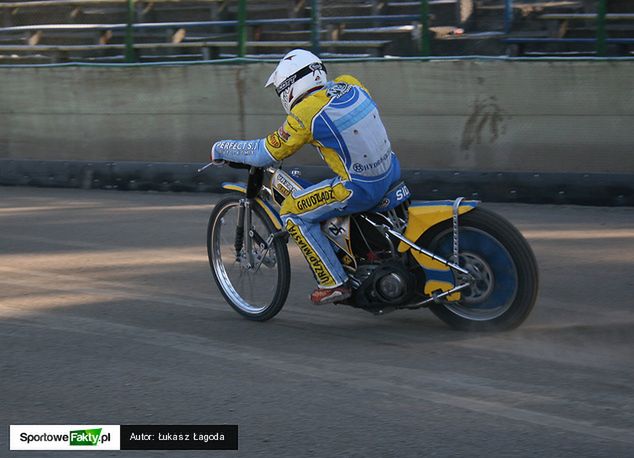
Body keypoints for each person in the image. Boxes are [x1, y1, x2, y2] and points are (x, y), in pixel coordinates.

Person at [211, 49, 401, 305]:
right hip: (391, 169)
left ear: (289, 87)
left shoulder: (306, 113)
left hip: (360, 188)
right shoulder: (350, 83)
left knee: (292, 211)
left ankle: (333, 282)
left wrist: (220, 148)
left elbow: (262, 153)